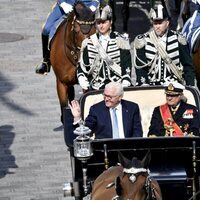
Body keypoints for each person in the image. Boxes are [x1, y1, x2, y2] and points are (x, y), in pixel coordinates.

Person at [132, 4, 195, 86]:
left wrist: (190, 85)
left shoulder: (178, 39)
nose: (157, 26)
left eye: (160, 23)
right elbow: (140, 68)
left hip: (173, 86)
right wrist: (145, 85)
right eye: (155, 23)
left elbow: (188, 65)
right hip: (150, 85)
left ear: (167, 23)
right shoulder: (142, 40)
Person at [35, 0, 100, 75]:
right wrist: (63, 3)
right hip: (67, 4)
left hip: (87, 5)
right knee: (47, 29)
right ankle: (46, 61)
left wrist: (94, 4)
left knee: (101, 28)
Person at [77, 5, 132, 90]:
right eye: (98, 23)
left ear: (111, 22)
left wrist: (126, 78)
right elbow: (82, 65)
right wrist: (81, 76)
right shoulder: (89, 42)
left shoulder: (121, 41)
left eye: (104, 22)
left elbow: (126, 63)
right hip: (96, 87)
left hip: (117, 86)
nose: (101, 26)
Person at [69, 82, 143, 139]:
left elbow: (137, 132)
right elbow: (87, 131)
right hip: (104, 151)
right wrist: (77, 118)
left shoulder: (132, 108)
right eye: (105, 95)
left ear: (120, 97)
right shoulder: (96, 110)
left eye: (110, 97)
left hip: (127, 150)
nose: (106, 99)